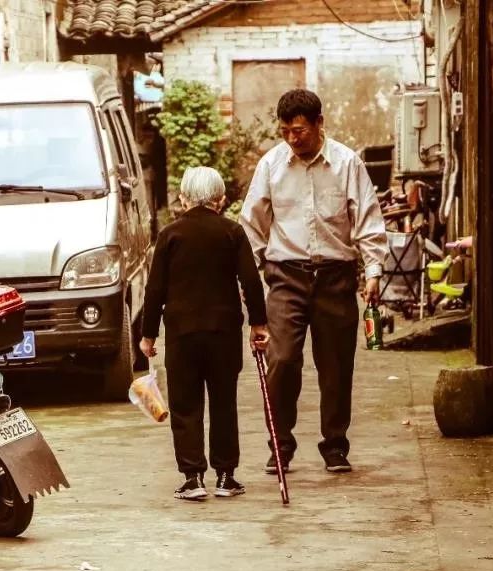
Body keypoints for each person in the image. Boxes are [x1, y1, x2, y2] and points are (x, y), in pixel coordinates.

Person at [240, 89, 388, 475]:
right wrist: (253, 276)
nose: (293, 138)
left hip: (336, 277)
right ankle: (281, 444)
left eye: (300, 131)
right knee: (282, 359)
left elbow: (368, 219)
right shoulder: (271, 165)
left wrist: (373, 271)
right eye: (286, 131)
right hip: (286, 277)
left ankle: (335, 446)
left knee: (336, 365)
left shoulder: (346, 164)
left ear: (319, 124)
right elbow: (252, 225)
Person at [140, 166, 270, 501]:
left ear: (183, 199)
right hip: (223, 334)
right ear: (221, 199)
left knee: (185, 405)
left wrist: (148, 335)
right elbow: (251, 281)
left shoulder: (169, 235)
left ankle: (193, 478)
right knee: (224, 402)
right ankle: (226, 477)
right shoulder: (232, 232)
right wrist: (259, 323)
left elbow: (154, 290)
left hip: (183, 334)